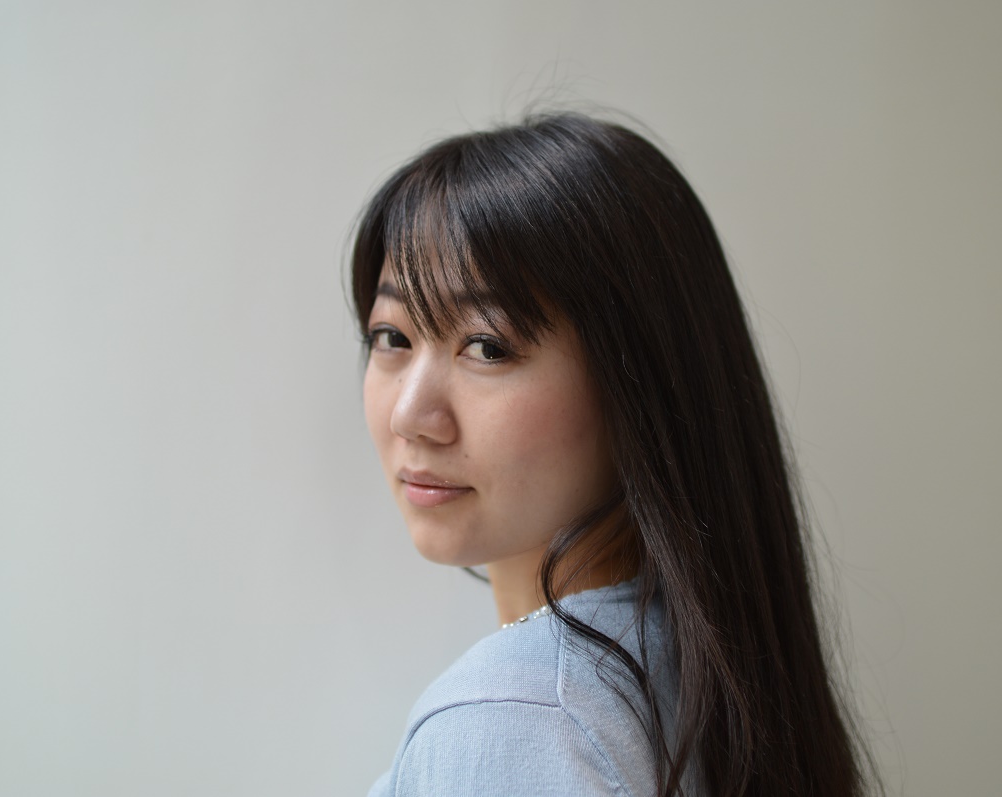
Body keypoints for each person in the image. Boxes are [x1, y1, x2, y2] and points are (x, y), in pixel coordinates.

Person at [351, 111, 877, 796]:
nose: (410, 415)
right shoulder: (696, 677)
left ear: (639, 382)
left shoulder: (511, 718)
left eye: (487, 346)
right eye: (391, 337)